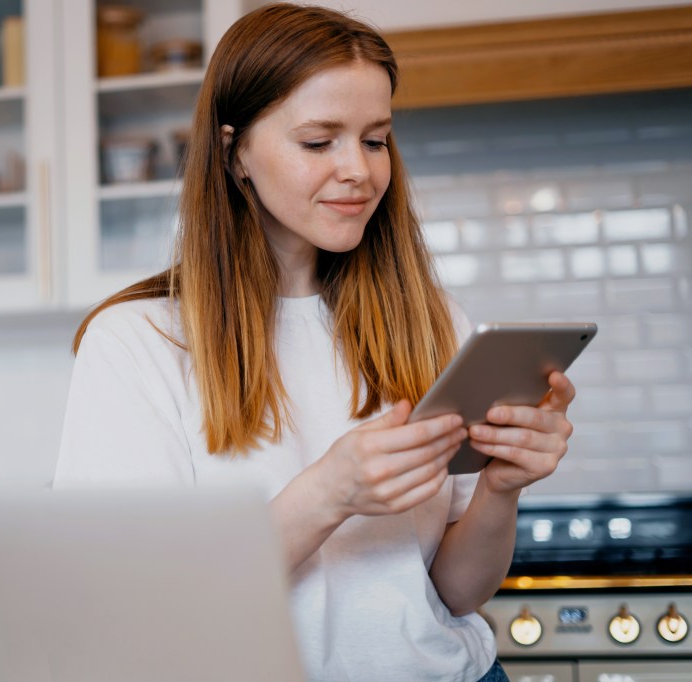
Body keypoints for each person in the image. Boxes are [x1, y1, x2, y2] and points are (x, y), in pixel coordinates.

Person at [54, 4, 576, 681]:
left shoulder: (431, 320)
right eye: (319, 140)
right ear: (234, 150)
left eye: (375, 138)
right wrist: (329, 492)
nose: (358, 170)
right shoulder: (138, 344)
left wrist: (501, 489)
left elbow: (452, 594)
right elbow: (140, 611)